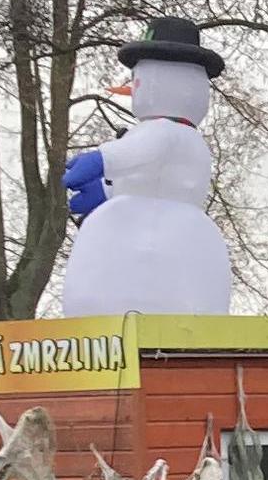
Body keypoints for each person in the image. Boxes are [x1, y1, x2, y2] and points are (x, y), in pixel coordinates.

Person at [51, 16, 234, 315]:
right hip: (180, 237)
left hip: (159, 242)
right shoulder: (181, 137)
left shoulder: (166, 132)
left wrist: (101, 160)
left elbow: (138, 152)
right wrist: (108, 194)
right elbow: (151, 175)